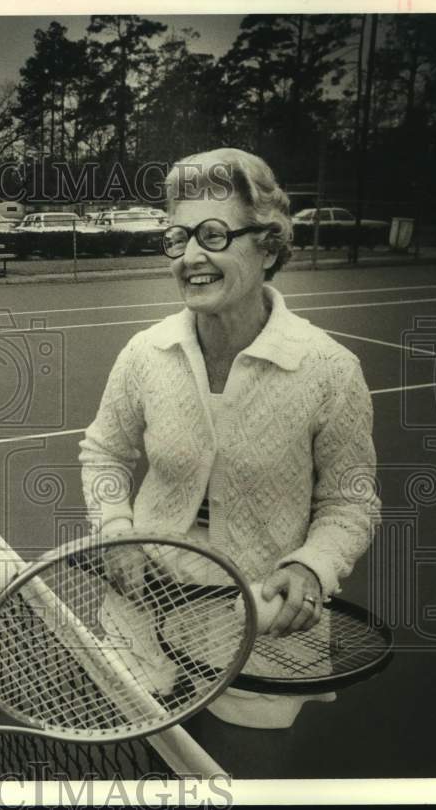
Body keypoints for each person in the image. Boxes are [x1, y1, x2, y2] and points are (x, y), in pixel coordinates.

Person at [79, 148, 380, 734]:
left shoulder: (329, 370)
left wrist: (313, 568)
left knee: (237, 785)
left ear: (267, 245)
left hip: (260, 624)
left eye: (214, 235)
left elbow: (350, 499)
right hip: (143, 606)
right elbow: (105, 452)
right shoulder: (145, 354)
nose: (191, 256)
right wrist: (117, 533)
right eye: (179, 236)